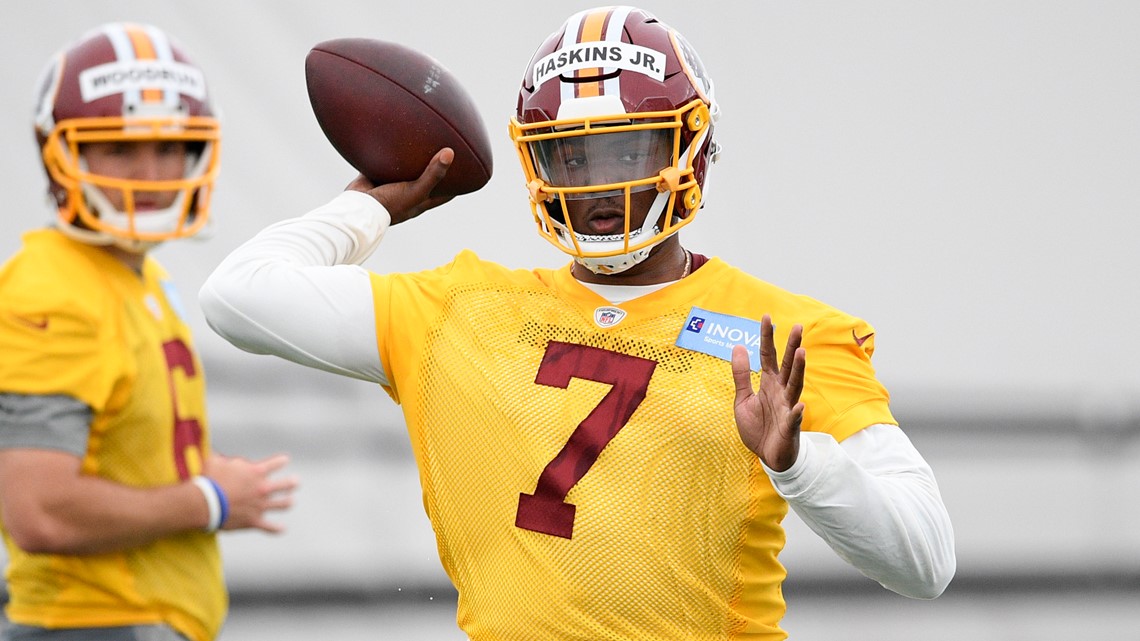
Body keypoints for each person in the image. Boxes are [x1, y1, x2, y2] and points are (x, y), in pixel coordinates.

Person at [199, 6, 955, 639]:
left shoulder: (781, 334)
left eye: (627, 148)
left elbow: (926, 560)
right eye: (572, 157)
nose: (600, 185)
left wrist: (800, 464)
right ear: (536, 166)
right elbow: (237, 294)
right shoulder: (458, 309)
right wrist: (375, 201)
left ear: (690, 150)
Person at [0, 23, 298, 641]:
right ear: (63, 154)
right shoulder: (51, 291)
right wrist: (208, 500)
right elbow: (38, 509)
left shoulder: (138, 275)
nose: (150, 172)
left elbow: (109, 447)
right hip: (93, 624)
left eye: (169, 148)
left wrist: (187, 466)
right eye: (119, 148)